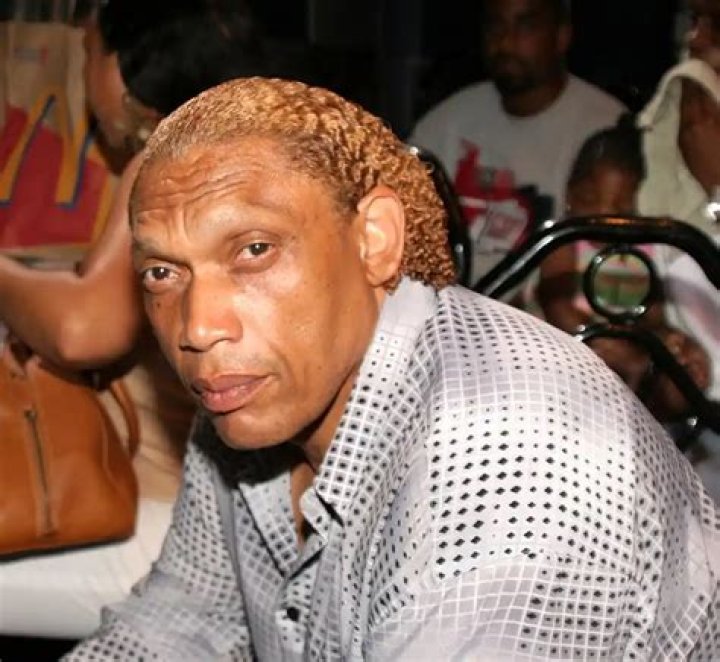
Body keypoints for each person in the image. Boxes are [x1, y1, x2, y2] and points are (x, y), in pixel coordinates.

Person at [65, 77, 719, 660]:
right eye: (162, 273)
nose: (198, 326)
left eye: (254, 249)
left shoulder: (507, 472)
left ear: (374, 240)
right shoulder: (251, 394)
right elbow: (185, 623)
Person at [0, 0, 265, 639]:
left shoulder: (171, 162)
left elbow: (83, 330)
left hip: (169, 532)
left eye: (91, 53)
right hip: (213, 520)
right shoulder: (239, 149)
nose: (84, 72)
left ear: (124, 65)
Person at [410, 0, 626, 286]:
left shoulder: (610, 130)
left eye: (526, 26)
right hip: (451, 306)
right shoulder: (445, 123)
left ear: (561, 36)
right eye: (495, 26)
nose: (506, 42)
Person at [538, 121, 711, 418]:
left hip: (629, 357)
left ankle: (674, 415)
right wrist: (600, 338)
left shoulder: (643, 253)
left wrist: (666, 339)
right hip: (566, 350)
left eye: (621, 209)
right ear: (569, 196)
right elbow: (557, 306)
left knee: (683, 366)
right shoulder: (565, 243)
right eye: (590, 199)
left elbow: (653, 316)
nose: (603, 215)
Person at [636, 0, 720, 502]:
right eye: (693, 22)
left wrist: (718, 188)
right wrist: (662, 346)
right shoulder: (665, 172)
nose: (695, 42)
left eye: (716, 25)